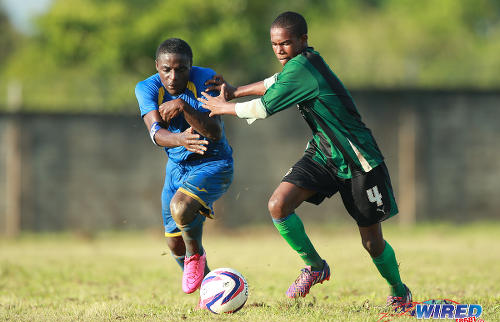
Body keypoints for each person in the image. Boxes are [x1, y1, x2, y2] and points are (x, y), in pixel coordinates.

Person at [199, 11, 412, 306]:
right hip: (324, 152)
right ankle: (315, 266)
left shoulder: (303, 68)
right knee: (278, 204)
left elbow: (261, 108)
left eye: (285, 43)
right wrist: (235, 91)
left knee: (372, 243)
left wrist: (222, 107)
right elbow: (274, 81)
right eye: (274, 44)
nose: (279, 50)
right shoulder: (302, 62)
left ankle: (399, 291)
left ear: (303, 40)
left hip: (359, 159)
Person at [135, 38, 233, 295]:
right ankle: (210, 290)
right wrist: (180, 139)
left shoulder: (206, 79)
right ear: (157, 66)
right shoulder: (146, 88)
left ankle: (195, 255)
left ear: (191, 66)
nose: (173, 76)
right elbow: (155, 133)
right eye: (166, 69)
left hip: (214, 162)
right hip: (176, 169)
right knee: (173, 243)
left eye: (181, 69)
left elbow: (214, 131)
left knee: (181, 208)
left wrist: (182, 105)